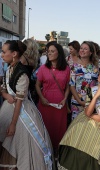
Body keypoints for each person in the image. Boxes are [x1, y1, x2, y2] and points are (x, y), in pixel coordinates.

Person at [0, 40, 54, 170]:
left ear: (13, 54)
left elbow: (19, 99)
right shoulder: (9, 69)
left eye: (3, 51)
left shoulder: (22, 72)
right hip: (8, 108)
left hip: (22, 112)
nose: (1, 54)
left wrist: (13, 124)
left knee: (21, 144)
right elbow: (3, 88)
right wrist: (6, 95)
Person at [58, 64, 100, 170]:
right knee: (76, 132)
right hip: (87, 119)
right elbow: (87, 112)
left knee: (99, 140)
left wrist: (91, 115)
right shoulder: (92, 90)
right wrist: (96, 96)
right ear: (98, 78)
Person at [36, 41, 70, 156]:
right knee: (45, 127)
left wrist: (65, 99)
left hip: (60, 103)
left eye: (52, 51)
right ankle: (45, 153)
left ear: (58, 53)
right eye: (48, 51)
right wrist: (41, 98)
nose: (49, 53)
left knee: (59, 128)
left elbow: (68, 87)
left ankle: (57, 154)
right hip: (45, 102)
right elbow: (37, 85)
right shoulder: (43, 68)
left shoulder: (66, 69)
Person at [70, 41, 99, 120]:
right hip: (76, 103)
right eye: (81, 48)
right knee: (76, 126)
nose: (82, 50)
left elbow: (98, 85)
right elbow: (72, 86)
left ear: (91, 52)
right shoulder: (74, 67)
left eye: (85, 49)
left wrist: (92, 101)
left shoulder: (96, 68)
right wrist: (79, 101)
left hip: (91, 103)